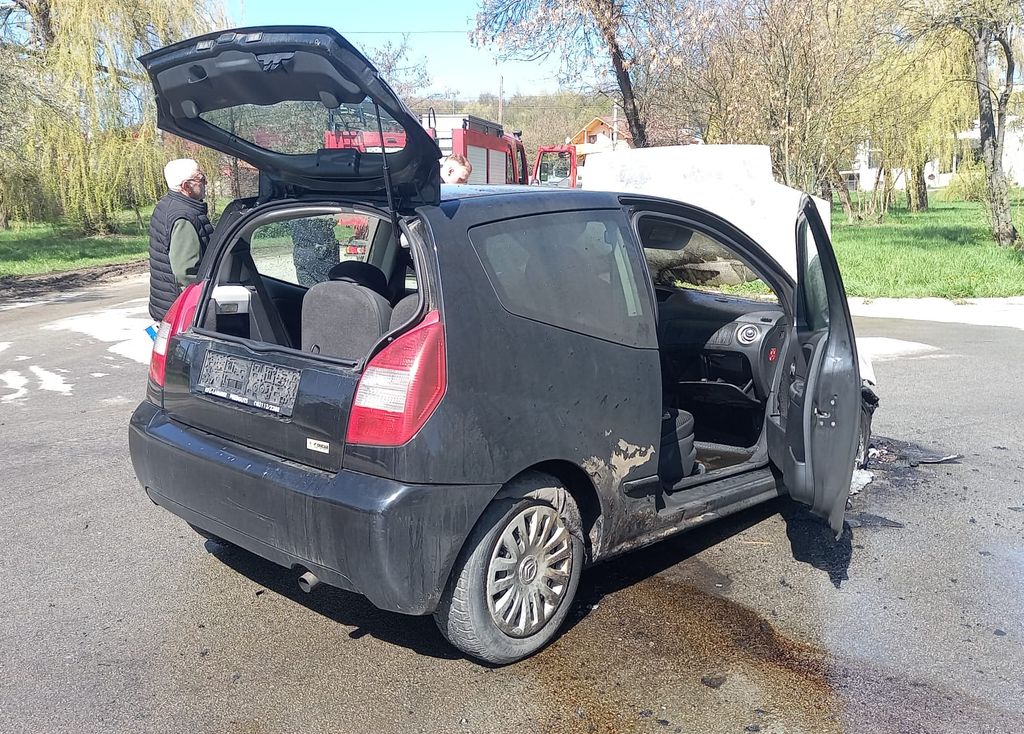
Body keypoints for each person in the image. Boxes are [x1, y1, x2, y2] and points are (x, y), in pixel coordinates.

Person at [148, 159, 214, 321]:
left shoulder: (167, 204)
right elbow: (186, 274)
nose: (205, 182)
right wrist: (203, 306)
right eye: (200, 178)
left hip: (166, 304)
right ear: (186, 186)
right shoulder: (183, 217)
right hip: (181, 312)